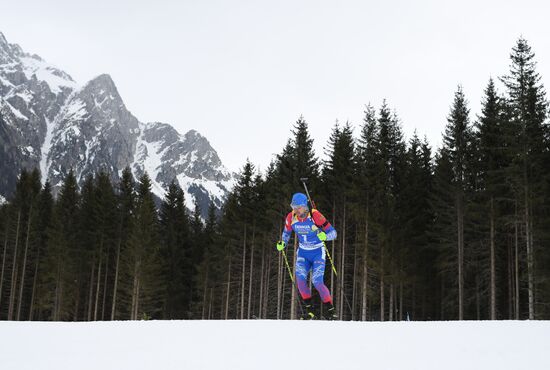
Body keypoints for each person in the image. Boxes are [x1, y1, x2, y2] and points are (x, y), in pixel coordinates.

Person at [276, 192, 337, 320]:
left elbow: (333, 233)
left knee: (317, 281)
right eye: (294, 207)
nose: (296, 210)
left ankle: (331, 312)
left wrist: (325, 236)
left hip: (317, 253)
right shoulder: (291, 217)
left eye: (298, 207)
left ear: (305, 206)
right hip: (303, 253)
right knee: (301, 280)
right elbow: (286, 233)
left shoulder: (315, 216)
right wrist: (282, 243)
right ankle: (310, 312)